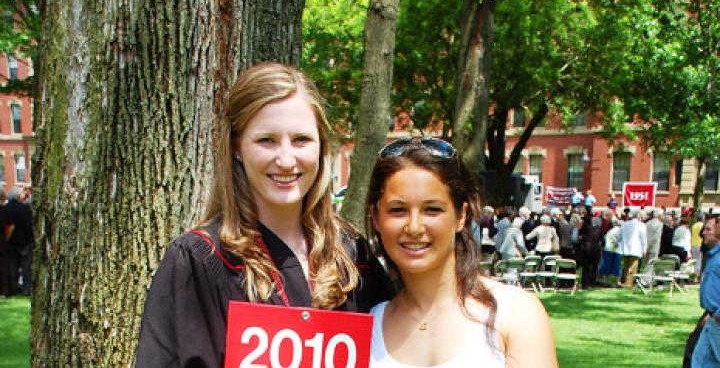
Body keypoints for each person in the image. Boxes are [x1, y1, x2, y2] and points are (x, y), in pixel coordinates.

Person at [136, 62, 390, 366]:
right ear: (236, 148)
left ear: (321, 145)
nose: (285, 159)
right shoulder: (201, 261)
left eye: (301, 140)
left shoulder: (352, 256)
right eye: (266, 140)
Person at [365, 137, 557, 368]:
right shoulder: (366, 327)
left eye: (432, 209)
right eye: (398, 210)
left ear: (460, 216)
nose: (414, 227)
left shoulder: (516, 314)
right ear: (376, 217)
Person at [691, 210, 720, 366]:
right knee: (699, 360)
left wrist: (717, 314)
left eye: (708, 230)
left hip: (717, 319)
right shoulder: (713, 255)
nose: (704, 233)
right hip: (711, 318)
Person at [5, 187, 33, 296]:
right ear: (18, 196)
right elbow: (28, 225)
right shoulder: (25, 208)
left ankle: (13, 288)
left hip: (11, 241)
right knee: (26, 267)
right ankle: (26, 289)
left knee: (13, 267)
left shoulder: (6, 208)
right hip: (25, 241)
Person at [617, 209, 647, 287]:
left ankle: (622, 280)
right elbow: (644, 239)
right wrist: (644, 249)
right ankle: (628, 283)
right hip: (636, 249)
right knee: (633, 267)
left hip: (625, 248)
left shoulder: (624, 224)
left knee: (626, 266)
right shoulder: (641, 225)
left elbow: (619, 237)